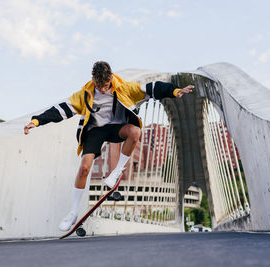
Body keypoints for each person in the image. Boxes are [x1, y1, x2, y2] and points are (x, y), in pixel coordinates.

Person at [24, 61, 193, 231]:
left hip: (116, 128)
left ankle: (116, 171)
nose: (103, 90)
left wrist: (175, 90)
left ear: (110, 79)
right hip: (95, 131)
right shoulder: (85, 94)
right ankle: (74, 211)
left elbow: (151, 88)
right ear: (93, 80)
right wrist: (36, 121)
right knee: (84, 168)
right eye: (99, 86)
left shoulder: (123, 87)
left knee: (135, 132)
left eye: (105, 86)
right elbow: (60, 110)